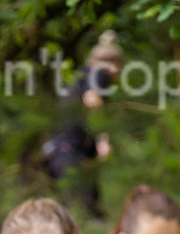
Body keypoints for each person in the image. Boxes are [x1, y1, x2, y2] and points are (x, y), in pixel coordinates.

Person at [42, 31, 122, 218]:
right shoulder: (100, 74)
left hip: (60, 152)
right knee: (86, 214)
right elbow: (93, 100)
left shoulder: (80, 75)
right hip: (70, 154)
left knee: (75, 212)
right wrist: (103, 139)